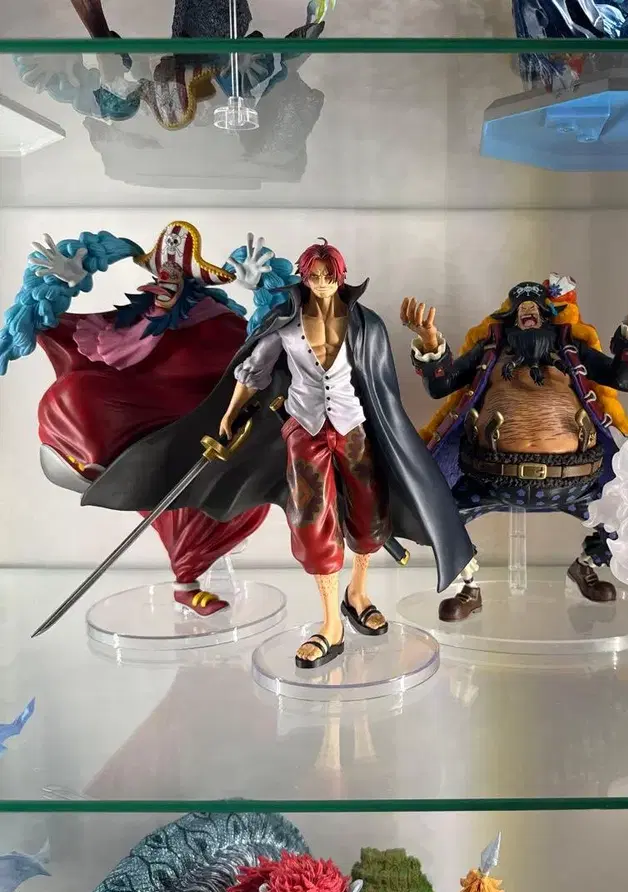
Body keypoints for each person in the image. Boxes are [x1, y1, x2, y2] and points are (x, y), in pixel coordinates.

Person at [83, 239, 475, 668]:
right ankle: (331, 625)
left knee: (368, 514)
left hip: (354, 429)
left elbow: (382, 386)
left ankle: (358, 594)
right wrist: (230, 412)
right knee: (312, 520)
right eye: (314, 276)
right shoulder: (286, 324)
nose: (321, 283)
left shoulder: (366, 325)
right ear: (304, 277)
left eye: (328, 276)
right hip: (305, 430)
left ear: (340, 277)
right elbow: (254, 369)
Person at [1, 222, 270, 615]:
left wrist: (266, 293)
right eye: (160, 272)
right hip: (143, 441)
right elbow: (52, 326)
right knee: (77, 396)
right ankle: (181, 574)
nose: (165, 281)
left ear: (191, 284)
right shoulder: (132, 324)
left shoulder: (220, 324)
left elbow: (267, 352)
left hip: (205, 443)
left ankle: (187, 581)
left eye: (176, 274)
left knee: (203, 507)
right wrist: (62, 285)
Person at [402, 273, 628, 622]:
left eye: (535, 307)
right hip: (487, 478)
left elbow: (622, 378)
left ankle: (587, 565)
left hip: (577, 482)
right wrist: (429, 340)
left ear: (548, 315)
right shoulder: (490, 352)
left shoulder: (570, 349)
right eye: (520, 307)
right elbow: (442, 386)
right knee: (430, 512)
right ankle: (468, 586)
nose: (528, 311)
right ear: (510, 318)